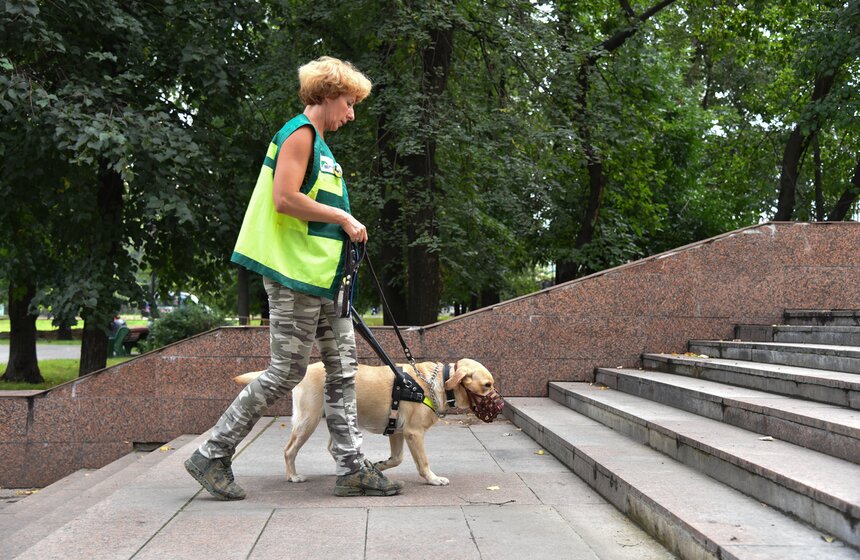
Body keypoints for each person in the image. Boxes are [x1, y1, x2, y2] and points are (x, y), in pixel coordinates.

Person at [185, 56, 403, 499]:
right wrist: (343, 216)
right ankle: (213, 452)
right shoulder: (299, 135)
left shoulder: (320, 146)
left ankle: (352, 467)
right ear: (325, 95)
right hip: (293, 277)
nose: (352, 112)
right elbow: (284, 199)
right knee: (287, 372)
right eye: (348, 102)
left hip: (324, 281)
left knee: (343, 371)